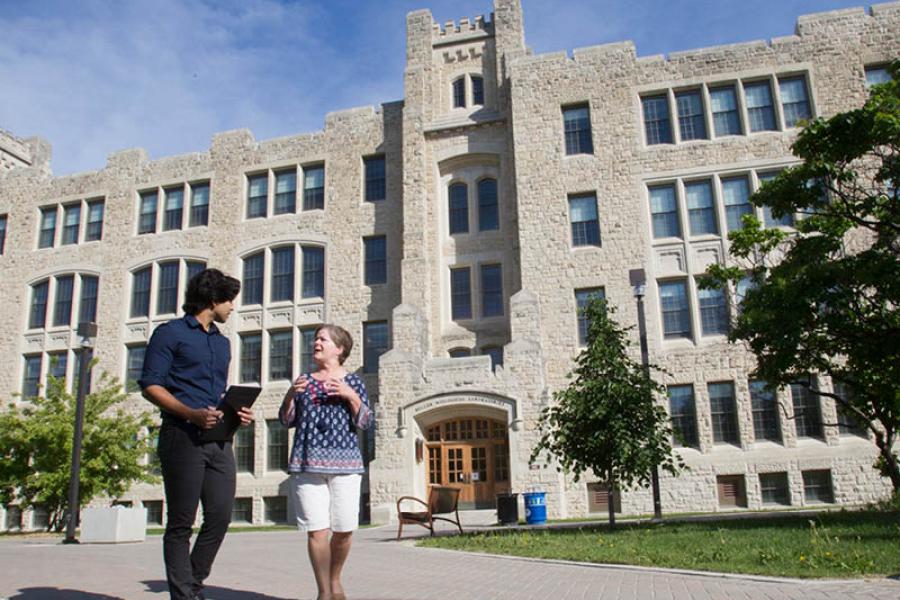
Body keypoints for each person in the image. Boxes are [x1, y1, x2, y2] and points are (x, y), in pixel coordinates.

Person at [140, 268, 253, 600]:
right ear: (213, 299)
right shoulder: (169, 333)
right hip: (181, 436)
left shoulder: (222, 343)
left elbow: (216, 394)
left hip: (219, 440)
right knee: (180, 523)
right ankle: (185, 595)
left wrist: (237, 412)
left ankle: (192, 582)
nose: (232, 307)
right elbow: (150, 385)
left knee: (220, 516)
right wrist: (190, 413)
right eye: (229, 300)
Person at [280, 324, 373, 600]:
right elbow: (286, 420)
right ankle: (323, 592)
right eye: (316, 339)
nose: (316, 343)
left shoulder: (353, 381)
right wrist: (290, 394)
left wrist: (349, 395)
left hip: (345, 466)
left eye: (323, 339)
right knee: (316, 531)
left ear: (339, 348)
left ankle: (335, 580)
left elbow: (366, 421)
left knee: (344, 529)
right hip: (307, 463)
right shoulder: (303, 380)